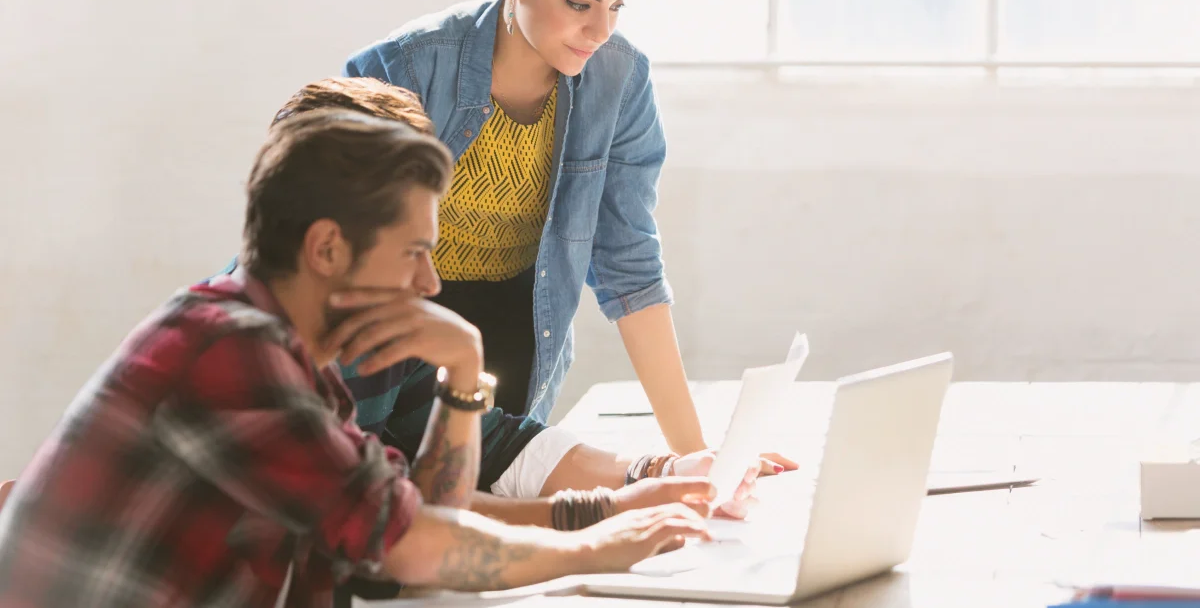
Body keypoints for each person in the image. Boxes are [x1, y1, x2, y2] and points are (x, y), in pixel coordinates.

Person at [0, 109, 711, 607]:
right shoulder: (231, 351)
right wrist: (597, 547)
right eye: (414, 253)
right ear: (327, 248)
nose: (430, 284)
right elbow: (414, 549)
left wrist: (465, 369)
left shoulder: (289, 359)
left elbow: (420, 518)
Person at [343, 0, 795, 473]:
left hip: (515, 339)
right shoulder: (408, 65)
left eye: (617, 5)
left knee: (498, 497)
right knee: (377, 504)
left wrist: (696, 459)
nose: (601, 31)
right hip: (386, 326)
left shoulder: (620, 80)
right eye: (580, 4)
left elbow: (631, 267)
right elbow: (341, 243)